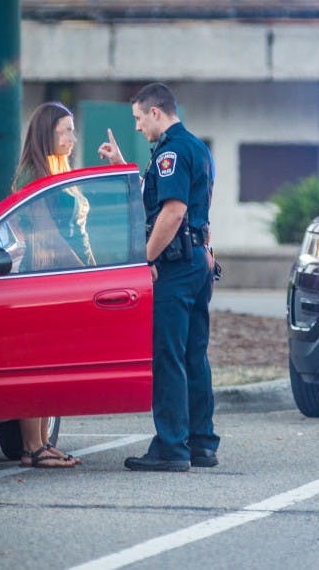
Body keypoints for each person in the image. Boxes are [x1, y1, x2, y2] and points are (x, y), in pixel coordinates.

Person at [98, 82, 219, 472]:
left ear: (155, 112)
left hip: (176, 266)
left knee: (168, 356)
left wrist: (142, 259)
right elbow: (176, 203)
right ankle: (201, 442)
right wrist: (121, 164)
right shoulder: (196, 148)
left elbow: (172, 212)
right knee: (193, 355)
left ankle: (171, 446)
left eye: (137, 118)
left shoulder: (170, 152)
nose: (136, 127)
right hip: (198, 261)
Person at [9, 101, 90, 468]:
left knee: (54, 364)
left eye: (72, 129)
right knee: (37, 364)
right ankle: (30, 448)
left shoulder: (60, 168)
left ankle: (42, 441)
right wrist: (84, 274)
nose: (72, 136)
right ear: (47, 133)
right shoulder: (32, 174)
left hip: (63, 279)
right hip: (40, 278)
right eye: (66, 130)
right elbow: (48, 234)